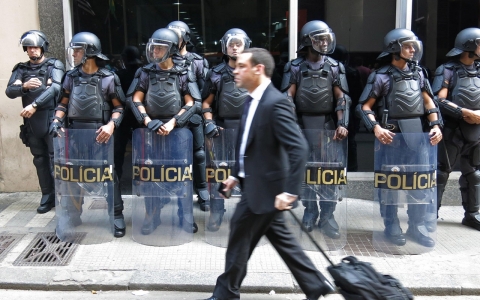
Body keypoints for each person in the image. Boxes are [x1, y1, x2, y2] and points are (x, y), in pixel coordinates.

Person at [204, 48, 334, 300]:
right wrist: (235, 176)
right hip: (257, 187)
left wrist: (290, 191)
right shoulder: (251, 100)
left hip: (267, 190)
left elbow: (299, 147)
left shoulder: (276, 103)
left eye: (242, 66)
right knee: (278, 241)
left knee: (239, 239)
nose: (235, 70)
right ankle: (316, 284)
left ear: (258, 69)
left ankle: (226, 293)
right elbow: (248, 146)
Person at [358, 28, 443, 247]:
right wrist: (376, 128)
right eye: (407, 46)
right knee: (391, 186)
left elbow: (429, 102)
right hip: (392, 138)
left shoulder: (419, 73)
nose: (413, 49)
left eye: (413, 46)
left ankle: (417, 226)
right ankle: (391, 225)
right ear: (394, 48)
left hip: (418, 137)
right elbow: (364, 106)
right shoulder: (381, 76)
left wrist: (435, 126)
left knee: (419, 186)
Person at [49, 32, 126, 238]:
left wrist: (111, 125)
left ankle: (116, 214)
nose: (73, 54)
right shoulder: (70, 77)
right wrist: (56, 121)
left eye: (77, 50)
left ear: (89, 52)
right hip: (75, 135)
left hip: (101, 136)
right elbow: (62, 104)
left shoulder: (108, 78)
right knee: (73, 175)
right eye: (73, 50)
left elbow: (119, 108)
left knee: (109, 175)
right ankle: (73, 213)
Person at [127, 28, 203, 234]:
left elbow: (193, 102)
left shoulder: (183, 72)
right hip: (151, 132)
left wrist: (173, 123)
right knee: (152, 177)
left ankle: (184, 214)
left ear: (171, 49)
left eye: (160, 47)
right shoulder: (144, 72)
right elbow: (135, 99)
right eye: (154, 47)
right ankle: (152, 215)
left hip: (177, 133)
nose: (155, 51)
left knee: (181, 176)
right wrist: (147, 120)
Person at [281, 20, 351, 237]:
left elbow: (342, 97)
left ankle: (328, 216)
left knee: (329, 173)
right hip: (302, 127)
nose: (323, 43)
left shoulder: (335, 66)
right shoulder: (294, 67)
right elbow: (287, 97)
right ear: (307, 41)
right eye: (318, 39)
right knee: (307, 174)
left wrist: (342, 123)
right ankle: (310, 212)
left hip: (328, 127)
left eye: (325, 39)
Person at [5, 30, 65, 214]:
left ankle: (62, 197)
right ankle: (47, 196)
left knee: (57, 161)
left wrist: (35, 104)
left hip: (50, 118)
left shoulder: (54, 65)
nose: (32, 50)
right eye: (29, 47)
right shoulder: (21, 69)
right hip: (31, 123)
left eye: (35, 47)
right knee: (39, 160)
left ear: (43, 47)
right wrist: (24, 86)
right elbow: (9, 91)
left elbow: (55, 88)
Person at [201, 28, 252, 231]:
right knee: (218, 173)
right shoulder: (215, 73)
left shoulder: (254, 71)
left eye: (238, 44)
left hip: (248, 131)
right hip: (222, 129)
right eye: (231, 44)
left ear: (245, 46)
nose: (235, 47)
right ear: (225, 47)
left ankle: (248, 214)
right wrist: (209, 123)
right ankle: (217, 210)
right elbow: (206, 103)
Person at [432, 27, 480, 230]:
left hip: (476, 130)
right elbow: (437, 99)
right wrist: (463, 112)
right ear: (469, 45)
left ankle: (472, 214)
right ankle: (429, 214)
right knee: (442, 173)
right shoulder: (448, 70)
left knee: (474, 173)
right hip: (452, 129)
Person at [167, 20, 210, 210]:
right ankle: (174, 192)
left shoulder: (198, 61)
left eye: (177, 36)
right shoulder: (163, 60)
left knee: (199, 154)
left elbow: (206, 90)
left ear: (185, 38)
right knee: (173, 157)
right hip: (171, 118)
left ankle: (201, 190)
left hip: (193, 115)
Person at [114, 46, 143, 182]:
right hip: (140, 118)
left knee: (119, 153)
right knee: (143, 152)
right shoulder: (145, 73)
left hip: (124, 117)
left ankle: (117, 180)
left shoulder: (120, 75)